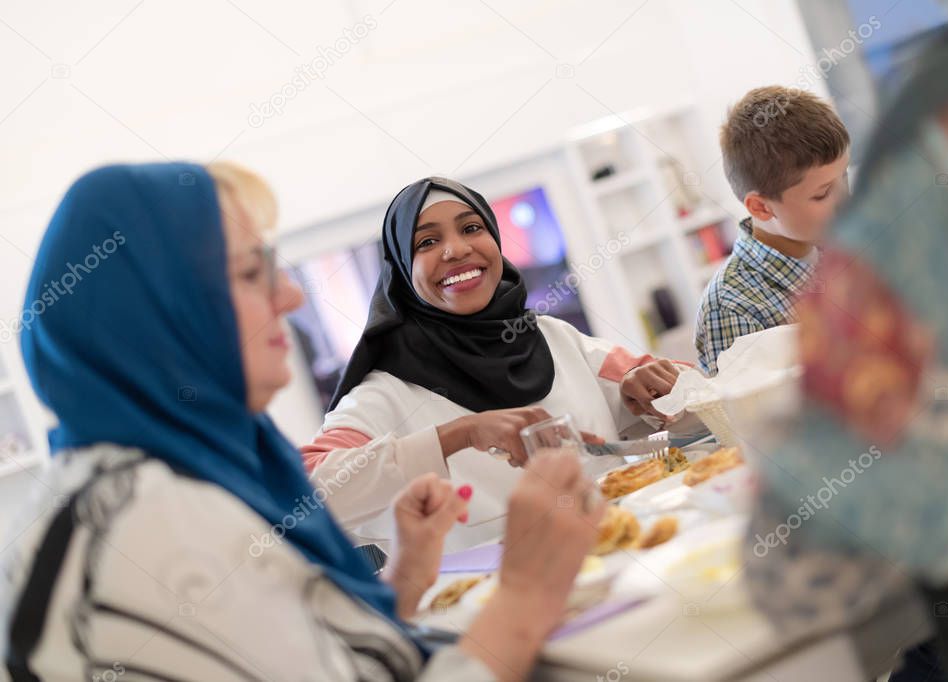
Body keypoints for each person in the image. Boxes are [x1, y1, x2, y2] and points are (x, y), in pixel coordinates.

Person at [1, 161, 606, 682]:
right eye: (248, 274)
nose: (289, 298)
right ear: (154, 315)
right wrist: (527, 593)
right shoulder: (150, 517)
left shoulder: (188, 470)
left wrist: (403, 581)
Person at [742, 2, 948, 679]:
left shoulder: (939, 142)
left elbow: (800, 575)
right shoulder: (739, 294)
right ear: (759, 206)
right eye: (820, 194)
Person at [301, 177, 689, 550]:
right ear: (402, 271)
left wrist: (651, 385)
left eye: (471, 228)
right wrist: (458, 434)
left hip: (625, 562)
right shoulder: (384, 393)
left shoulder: (554, 338)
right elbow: (303, 494)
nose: (456, 249)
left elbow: (694, 395)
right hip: (495, 607)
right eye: (428, 241)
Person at [694, 86, 850, 375]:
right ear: (762, 208)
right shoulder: (732, 308)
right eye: (823, 193)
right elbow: (758, 418)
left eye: (845, 176)